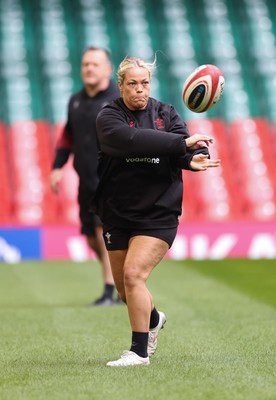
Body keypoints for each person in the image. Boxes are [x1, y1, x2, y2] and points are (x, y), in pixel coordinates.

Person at [95, 56, 221, 366]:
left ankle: (139, 352)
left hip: (158, 213)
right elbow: (131, 141)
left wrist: (195, 156)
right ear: (120, 86)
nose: (140, 90)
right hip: (117, 212)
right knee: (125, 290)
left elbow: (191, 147)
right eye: (133, 84)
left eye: (145, 83)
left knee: (133, 275)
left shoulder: (166, 113)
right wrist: (181, 147)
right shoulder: (108, 117)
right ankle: (153, 319)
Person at [50, 47, 121, 306]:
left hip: (111, 181)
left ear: (108, 69)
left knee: (104, 233)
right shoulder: (75, 101)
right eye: (85, 64)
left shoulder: (118, 99)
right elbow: (67, 135)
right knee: (91, 237)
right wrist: (58, 166)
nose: (89, 68)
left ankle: (108, 292)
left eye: (95, 64)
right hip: (85, 180)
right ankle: (122, 282)